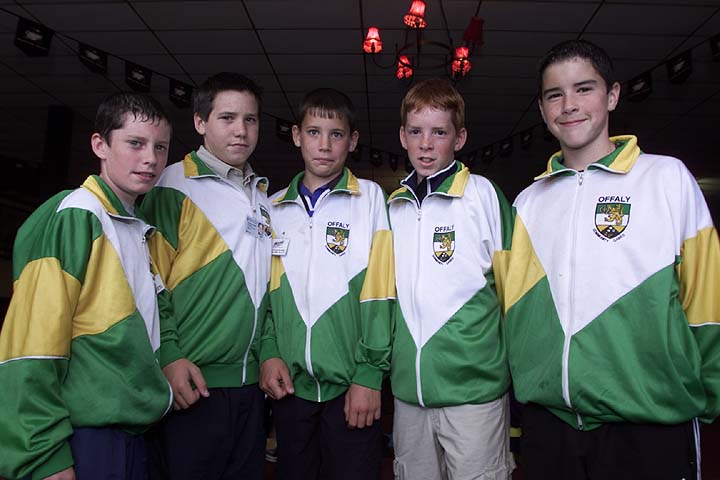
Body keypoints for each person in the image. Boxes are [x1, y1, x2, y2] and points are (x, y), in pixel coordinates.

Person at [504, 39, 720, 479]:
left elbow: (705, 300)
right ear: (542, 110)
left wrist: (707, 393)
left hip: (648, 421)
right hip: (551, 424)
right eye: (554, 95)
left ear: (613, 95)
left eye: (584, 89)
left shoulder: (666, 178)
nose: (569, 105)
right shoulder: (527, 202)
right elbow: (514, 310)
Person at [0, 93, 173, 480]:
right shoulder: (77, 214)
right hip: (86, 435)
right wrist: (43, 454)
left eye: (160, 147)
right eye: (135, 143)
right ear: (100, 145)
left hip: (135, 432)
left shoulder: (137, 226)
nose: (150, 158)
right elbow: (31, 344)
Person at [140, 72, 271, 479]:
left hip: (251, 386)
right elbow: (149, 281)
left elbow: (266, 287)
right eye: (227, 118)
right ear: (200, 122)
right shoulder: (171, 185)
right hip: (192, 382)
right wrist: (169, 354)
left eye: (250, 119)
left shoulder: (262, 195)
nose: (241, 131)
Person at [259, 88, 394, 480]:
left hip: (352, 388)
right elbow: (262, 296)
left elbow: (382, 291)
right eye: (314, 132)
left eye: (336, 134)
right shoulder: (272, 207)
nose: (324, 145)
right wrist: (268, 353)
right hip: (289, 387)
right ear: (296, 135)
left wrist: (369, 374)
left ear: (352, 141)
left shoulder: (370, 199)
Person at [388, 78, 515, 479]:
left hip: (474, 394)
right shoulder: (392, 209)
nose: (426, 144)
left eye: (439, 132)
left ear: (459, 138)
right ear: (403, 137)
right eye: (416, 132)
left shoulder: (483, 196)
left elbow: (516, 291)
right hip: (409, 393)